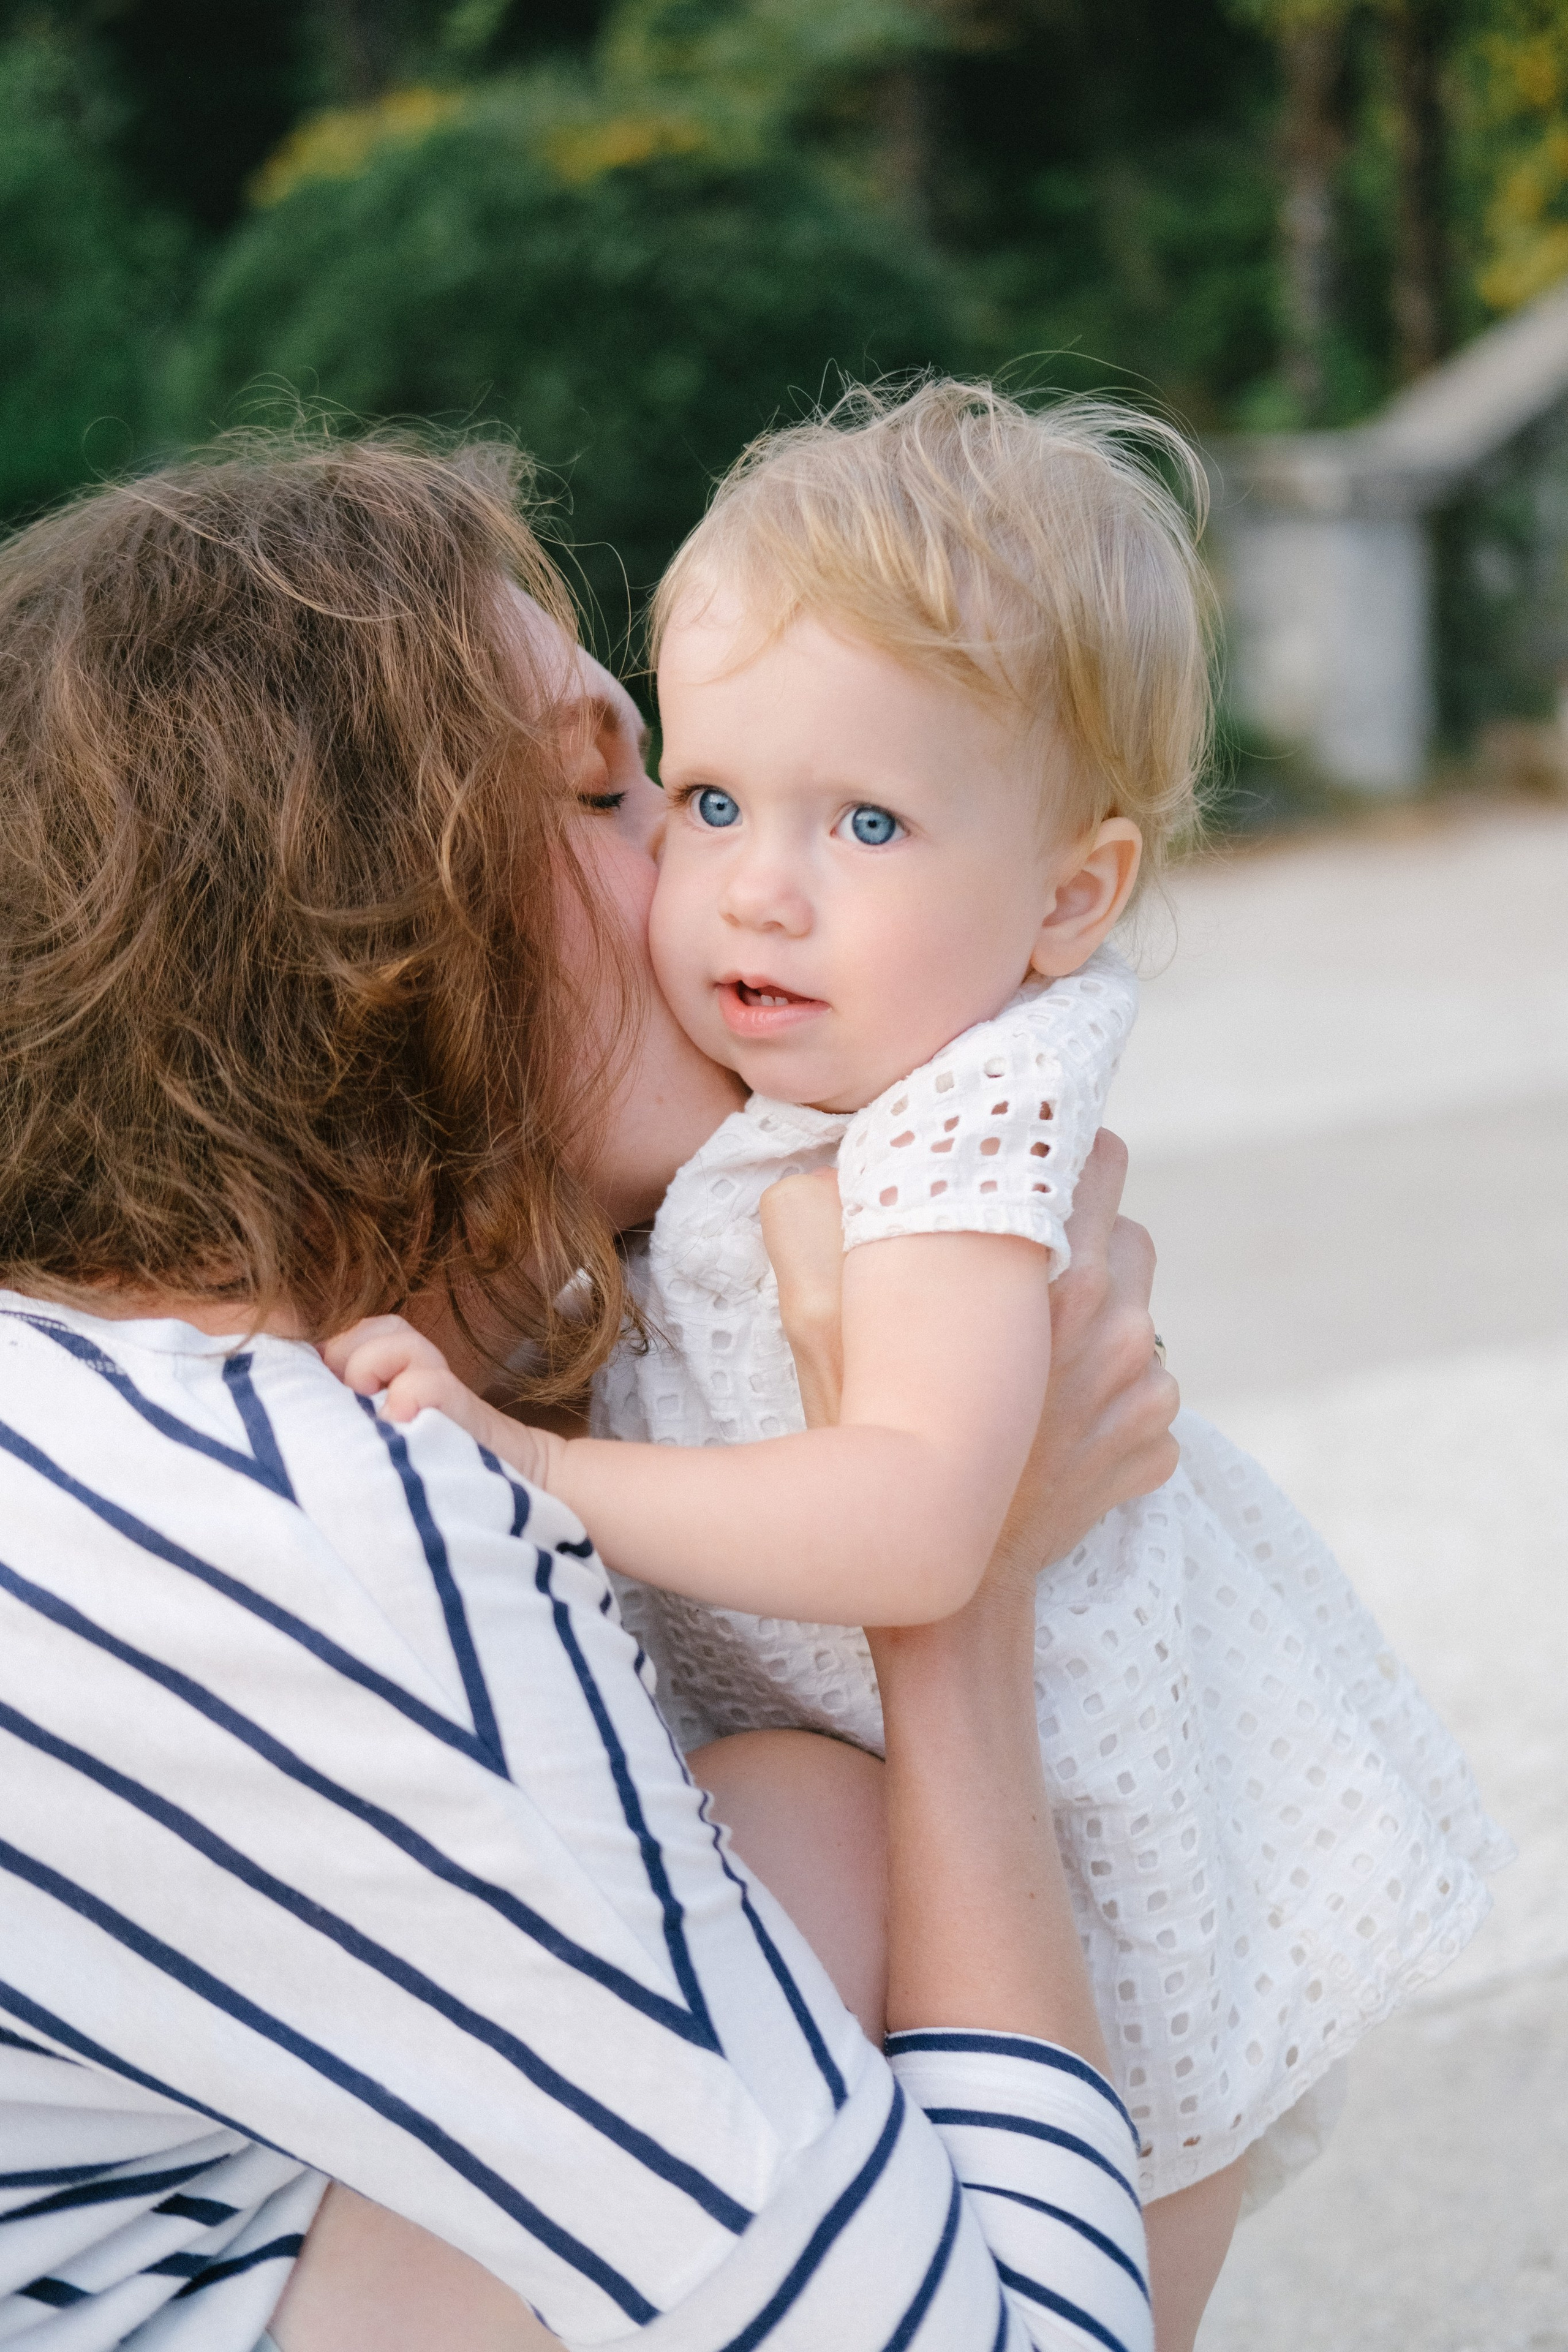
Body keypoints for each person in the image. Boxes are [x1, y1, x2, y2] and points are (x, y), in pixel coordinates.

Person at [336, 383, 1510, 2348]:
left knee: (1087, 2275)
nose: (760, 889)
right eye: (711, 803)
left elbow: (918, 1518)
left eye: (865, 822)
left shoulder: (969, 1119)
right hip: (912, 1807)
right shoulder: (810, 1043)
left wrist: (523, 1467)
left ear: (1071, 898)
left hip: (1118, 1869)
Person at [0, 431, 1183, 2352]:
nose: (715, 883)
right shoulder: (311, 1538)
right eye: (639, 791)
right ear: (359, 911)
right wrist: (959, 1590)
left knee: (789, 1830)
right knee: (829, 1842)